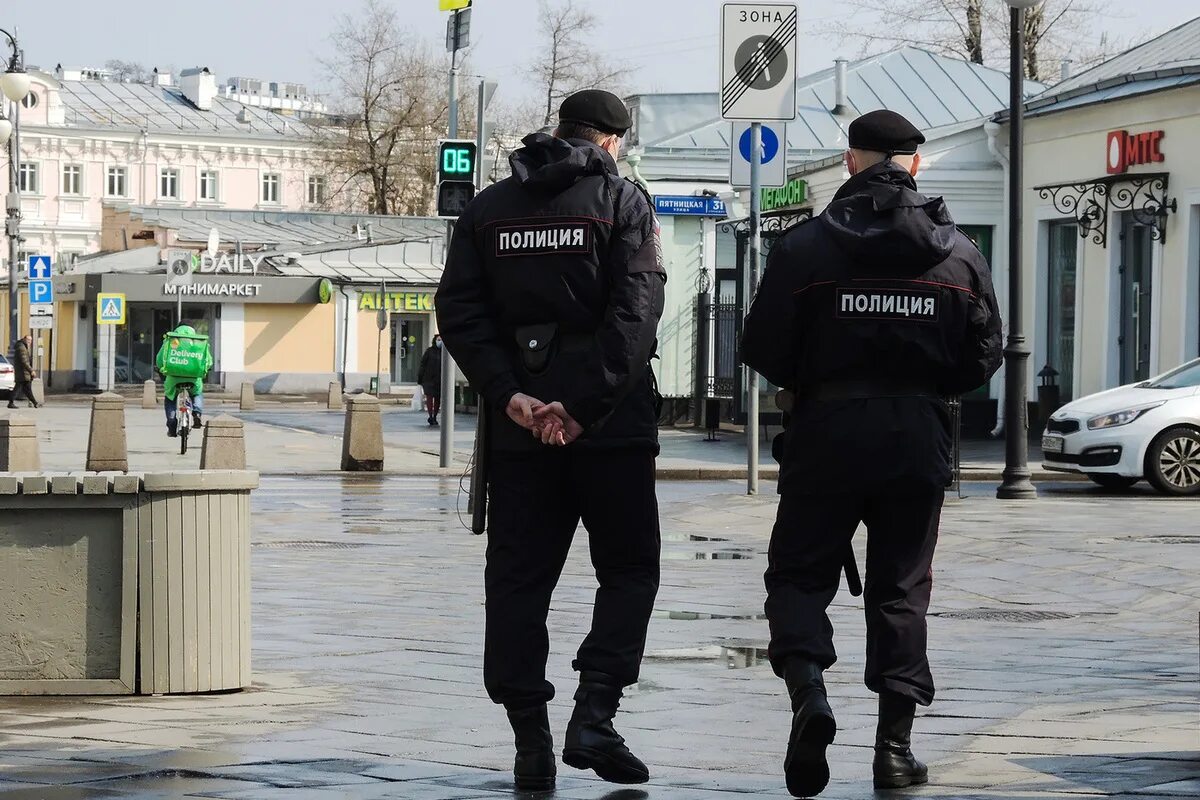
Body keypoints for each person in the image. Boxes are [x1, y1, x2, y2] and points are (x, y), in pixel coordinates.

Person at [740, 109, 1002, 798]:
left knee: (797, 577)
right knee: (901, 589)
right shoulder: (959, 252)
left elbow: (761, 347)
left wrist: (817, 374)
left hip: (824, 430)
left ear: (852, 160)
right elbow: (982, 356)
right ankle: (893, 749)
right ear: (916, 164)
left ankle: (809, 698)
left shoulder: (805, 247)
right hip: (916, 433)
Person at [436, 89, 666, 792]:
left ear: (559, 132)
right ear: (612, 143)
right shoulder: (622, 202)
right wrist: (584, 402)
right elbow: (637, 311)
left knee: (517, 580)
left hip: (522, 429)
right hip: (611, 424)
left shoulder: (488, 208)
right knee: (628, 569)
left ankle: (529, 740)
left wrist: (512, 397)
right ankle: (595, 710)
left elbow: (459, 312)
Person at [155, 323, 213, 438]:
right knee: (196, 393)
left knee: (170, 398)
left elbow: (160, 358)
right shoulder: (198, 342)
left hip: (173, 378)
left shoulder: (170, 340)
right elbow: (208, 361)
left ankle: (171, 423)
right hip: (194, 378)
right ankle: (197, 412)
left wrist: (161, 368)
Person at [417, 336, 443, 426]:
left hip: (439, 380)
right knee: (429, 397)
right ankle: (430, 416)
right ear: (434, 341)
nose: (440, 342)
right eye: (438, 340)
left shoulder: (444, 352)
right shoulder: (429, 351)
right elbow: (423, 364)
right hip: (428, 379)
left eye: (441, 340)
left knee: (437, 398)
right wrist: (420, 378)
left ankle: (435, 416)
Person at [8, 335, 39, 409]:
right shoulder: (21, 348)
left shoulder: (22, 346)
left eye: (31, 340)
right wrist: (31, 370)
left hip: (23, 372)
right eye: (28, 340)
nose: (30, 342)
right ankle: (11, 402)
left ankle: (35, 403)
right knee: (20, 388)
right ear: (24, 339)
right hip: (23, 372)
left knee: (26, 389)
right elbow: (24, 361)